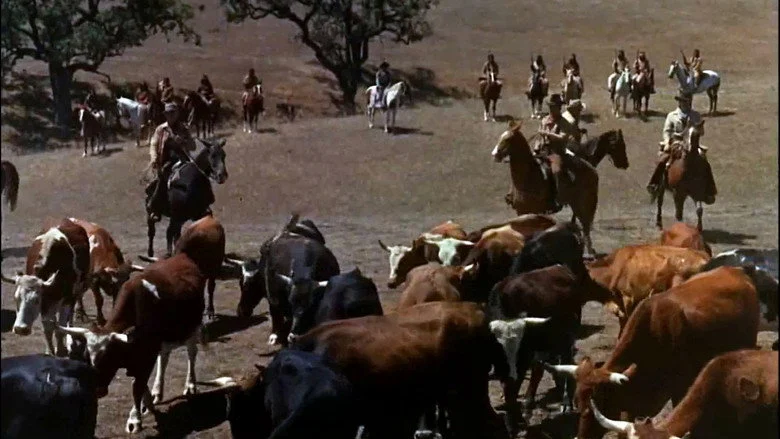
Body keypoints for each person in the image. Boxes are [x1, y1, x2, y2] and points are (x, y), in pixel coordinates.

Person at [145, 102, 197, 222]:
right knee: (163, 176)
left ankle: (200, 205)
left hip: (183, 159)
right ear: (165, 115)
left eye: (173, 113)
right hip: (167, 160)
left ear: (177, 114)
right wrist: (154, 158)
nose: (171, 116)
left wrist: (183, 141)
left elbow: (193, 146)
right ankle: (155, 206)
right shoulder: (160, 129)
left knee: (197, 175)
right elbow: (154, 144)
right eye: (168, 113)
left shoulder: (184, 129)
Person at [646, 91, 705, 195]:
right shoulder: (672, 115)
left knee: (704, 161)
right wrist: (667, 141)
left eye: (686, 101)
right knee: (663, 160)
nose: (684, 103)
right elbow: (667, 131)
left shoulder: (696, 115)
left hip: (691, 143)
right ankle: (654, 183)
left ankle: (708, 190)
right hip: (676, 142)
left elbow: (702, 132)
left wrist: (698, 129)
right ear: (679, 102)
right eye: (682, 101)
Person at [536, 93, 582, 213]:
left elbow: (563, 137)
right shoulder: (544, 120)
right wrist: (537, 145)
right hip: (542, 151)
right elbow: (539, 135)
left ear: (559, 108)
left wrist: (548, 134)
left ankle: (558, 198)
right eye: (550, 107)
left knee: (556, 171)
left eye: (554, 107)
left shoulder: (564, 122)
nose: (551, 109)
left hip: (556, 152)